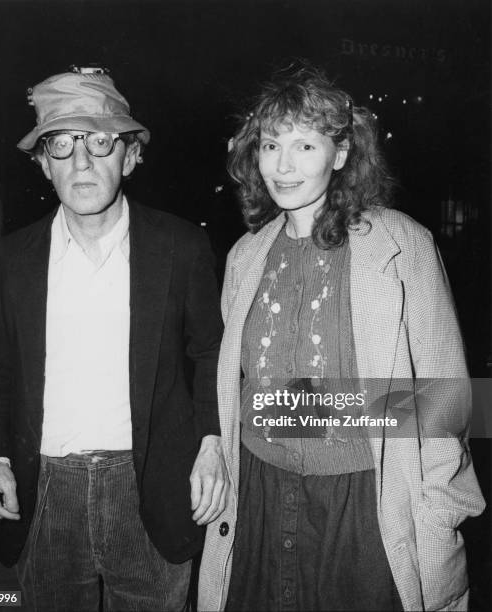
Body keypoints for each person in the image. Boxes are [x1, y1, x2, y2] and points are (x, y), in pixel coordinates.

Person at [198, 65, 485, 611]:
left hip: (366, 504)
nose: (283, 165)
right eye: (270, 144)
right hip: (258, 495)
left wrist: (439, 514)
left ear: (342, 153)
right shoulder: (244, 256)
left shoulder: (402, 246)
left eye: (305, 144)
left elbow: (447, 402)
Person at [0, 66, 227, 611]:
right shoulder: (3, 262)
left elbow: (211, 352)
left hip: (150, 485)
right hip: (44, 490)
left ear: (131, 155)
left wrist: (212, 443)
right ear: (43, 164)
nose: (81, 161)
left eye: (101, 141)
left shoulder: (181, 247)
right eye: (61, 145)